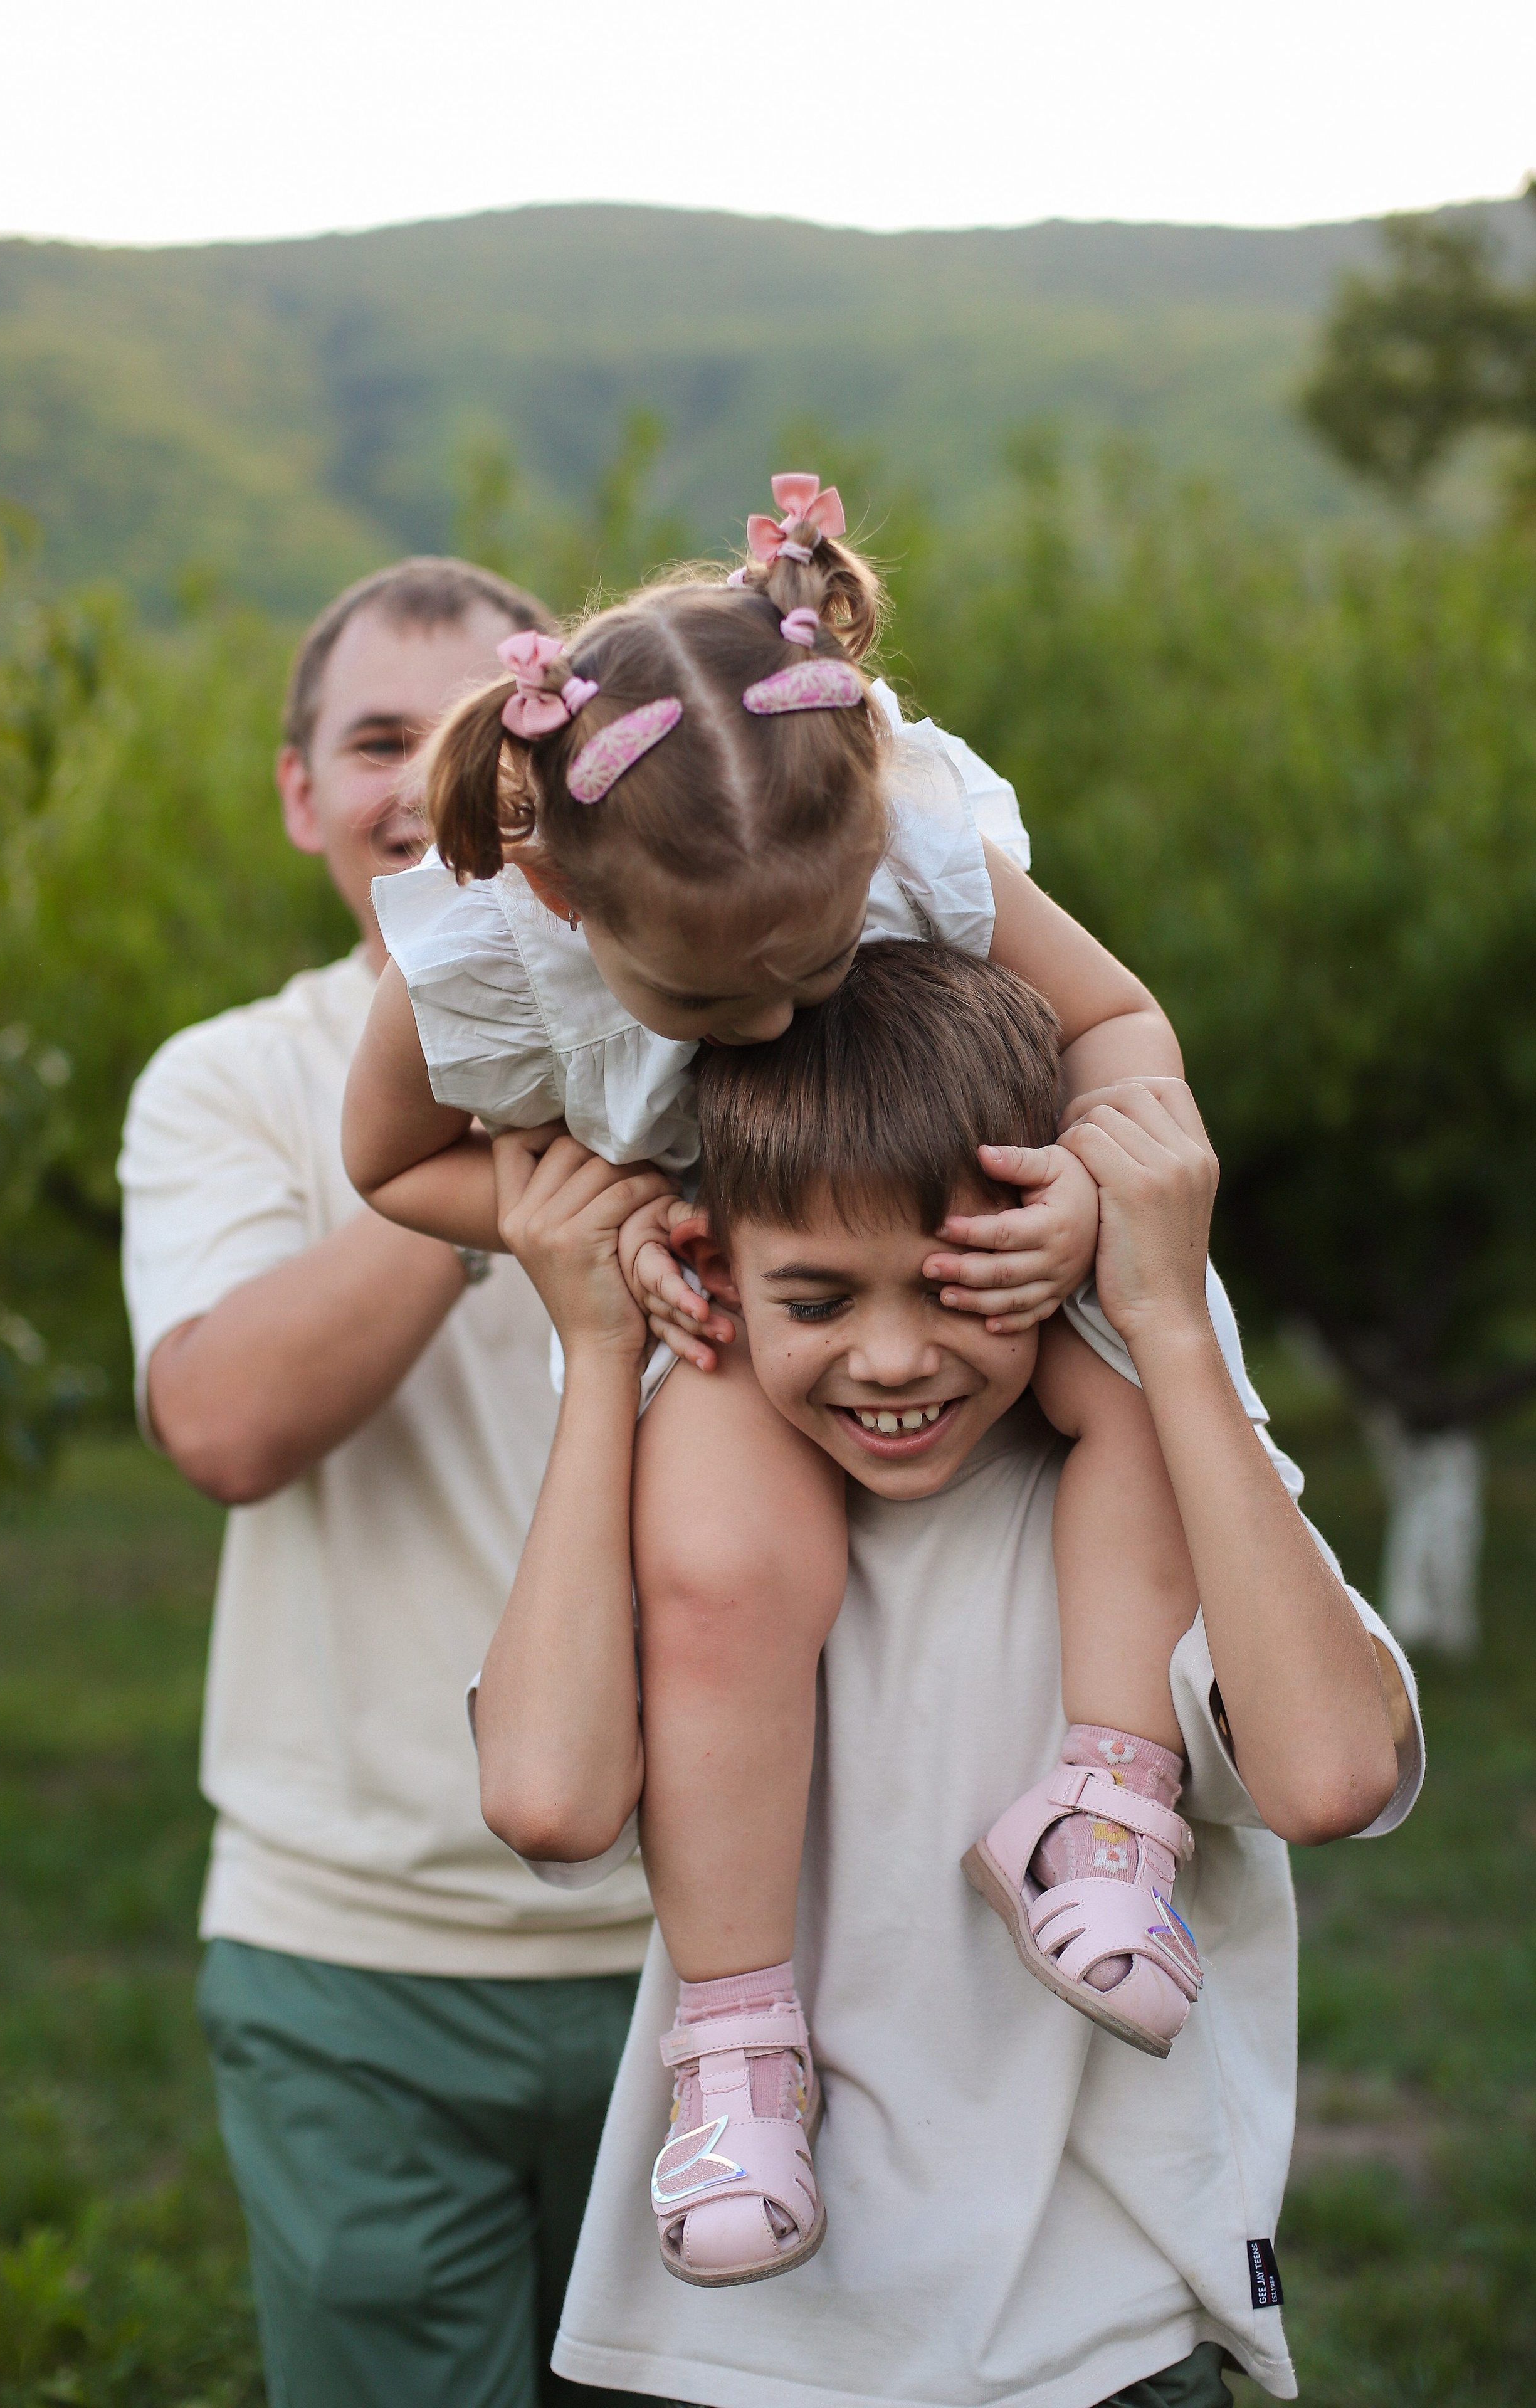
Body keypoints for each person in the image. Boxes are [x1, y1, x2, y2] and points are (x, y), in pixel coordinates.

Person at [345, 478, 1248, 2279]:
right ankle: (742, 2047)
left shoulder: (909, 828)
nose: (776, 1018)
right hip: (737, 1311)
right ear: (557, 889)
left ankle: (1103, 1812)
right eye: (711, 1006)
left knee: (1144, 1410)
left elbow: (1123, 1023)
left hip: (964, 1235)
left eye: (820, 964)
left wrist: (1083, 1179)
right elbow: (393, 1167)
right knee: (720, 1571)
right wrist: (577, 1226)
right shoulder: (487, 940)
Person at [473, 939, 1423, 2408]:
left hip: (1092, 2346)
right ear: (717, 1275)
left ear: (1049, 1237)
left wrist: (1166, 1316)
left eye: (957, 1281)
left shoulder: (1156, 1507)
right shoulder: (695, 1536)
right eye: (815, 1302)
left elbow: (1331, 1775)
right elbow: (545, 1799)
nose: (893, 1360)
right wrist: (598, 1358)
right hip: (729, 2352)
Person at [117, 557, 658, 2408]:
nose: (417, 784)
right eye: (373, 743)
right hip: (351, 1961)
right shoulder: (225, 1084)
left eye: (475, 733)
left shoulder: (720, 1041)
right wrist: (479, 1165)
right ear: (298, 793)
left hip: (725, 1944)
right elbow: (224, 1428)